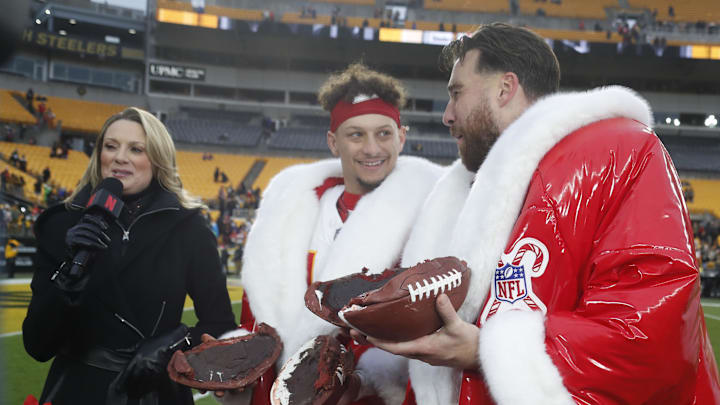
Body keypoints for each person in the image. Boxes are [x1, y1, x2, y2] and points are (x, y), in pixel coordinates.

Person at [355, 23, 720, 404]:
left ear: (504, 89)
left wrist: (486, 352)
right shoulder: (464, 190)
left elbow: (652, 332)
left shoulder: (618, 150)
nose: (447, 115)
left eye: (456, 93)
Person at [216, 63, 443, 405]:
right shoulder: (286, 213)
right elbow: (258, 319)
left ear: (402, 137)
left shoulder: (431, 218)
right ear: (333, 142)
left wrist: (364, 378)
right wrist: (239, 369)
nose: (371, 148)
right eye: (356, 135)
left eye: (383, 133)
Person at [23, 107, 237, 405]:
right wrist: (68, 280)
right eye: (111, 146)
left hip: (156, 393)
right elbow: (36, 345)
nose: (120, 157)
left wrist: (172, 345)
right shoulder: (61, 224)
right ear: (99, 154)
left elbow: (220, 324)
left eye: (136, 149)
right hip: (77, 391)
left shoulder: (189, 229)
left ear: (158, 159)